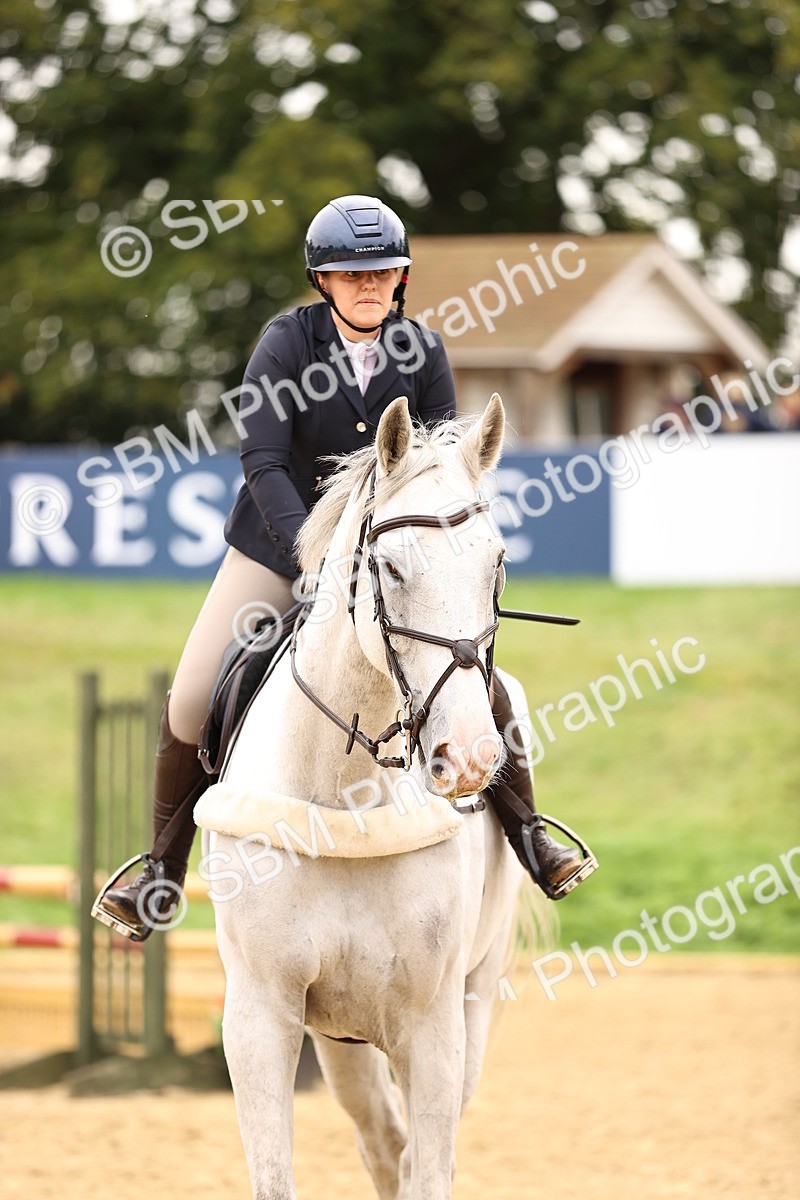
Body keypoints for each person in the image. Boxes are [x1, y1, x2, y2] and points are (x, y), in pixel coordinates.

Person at [93, 195, 596, 943]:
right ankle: (161, 871)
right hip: (279, 545)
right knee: (196, 691)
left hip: (394, 555)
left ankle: (531, 837)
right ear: (322, 281)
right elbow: (261, 459)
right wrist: (314, 551)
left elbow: (437, 465)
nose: (369, 286)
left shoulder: (422, 351)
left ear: (400, 277)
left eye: (383, 273)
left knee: (472, 670)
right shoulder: (284, 345)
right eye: (350, 274)